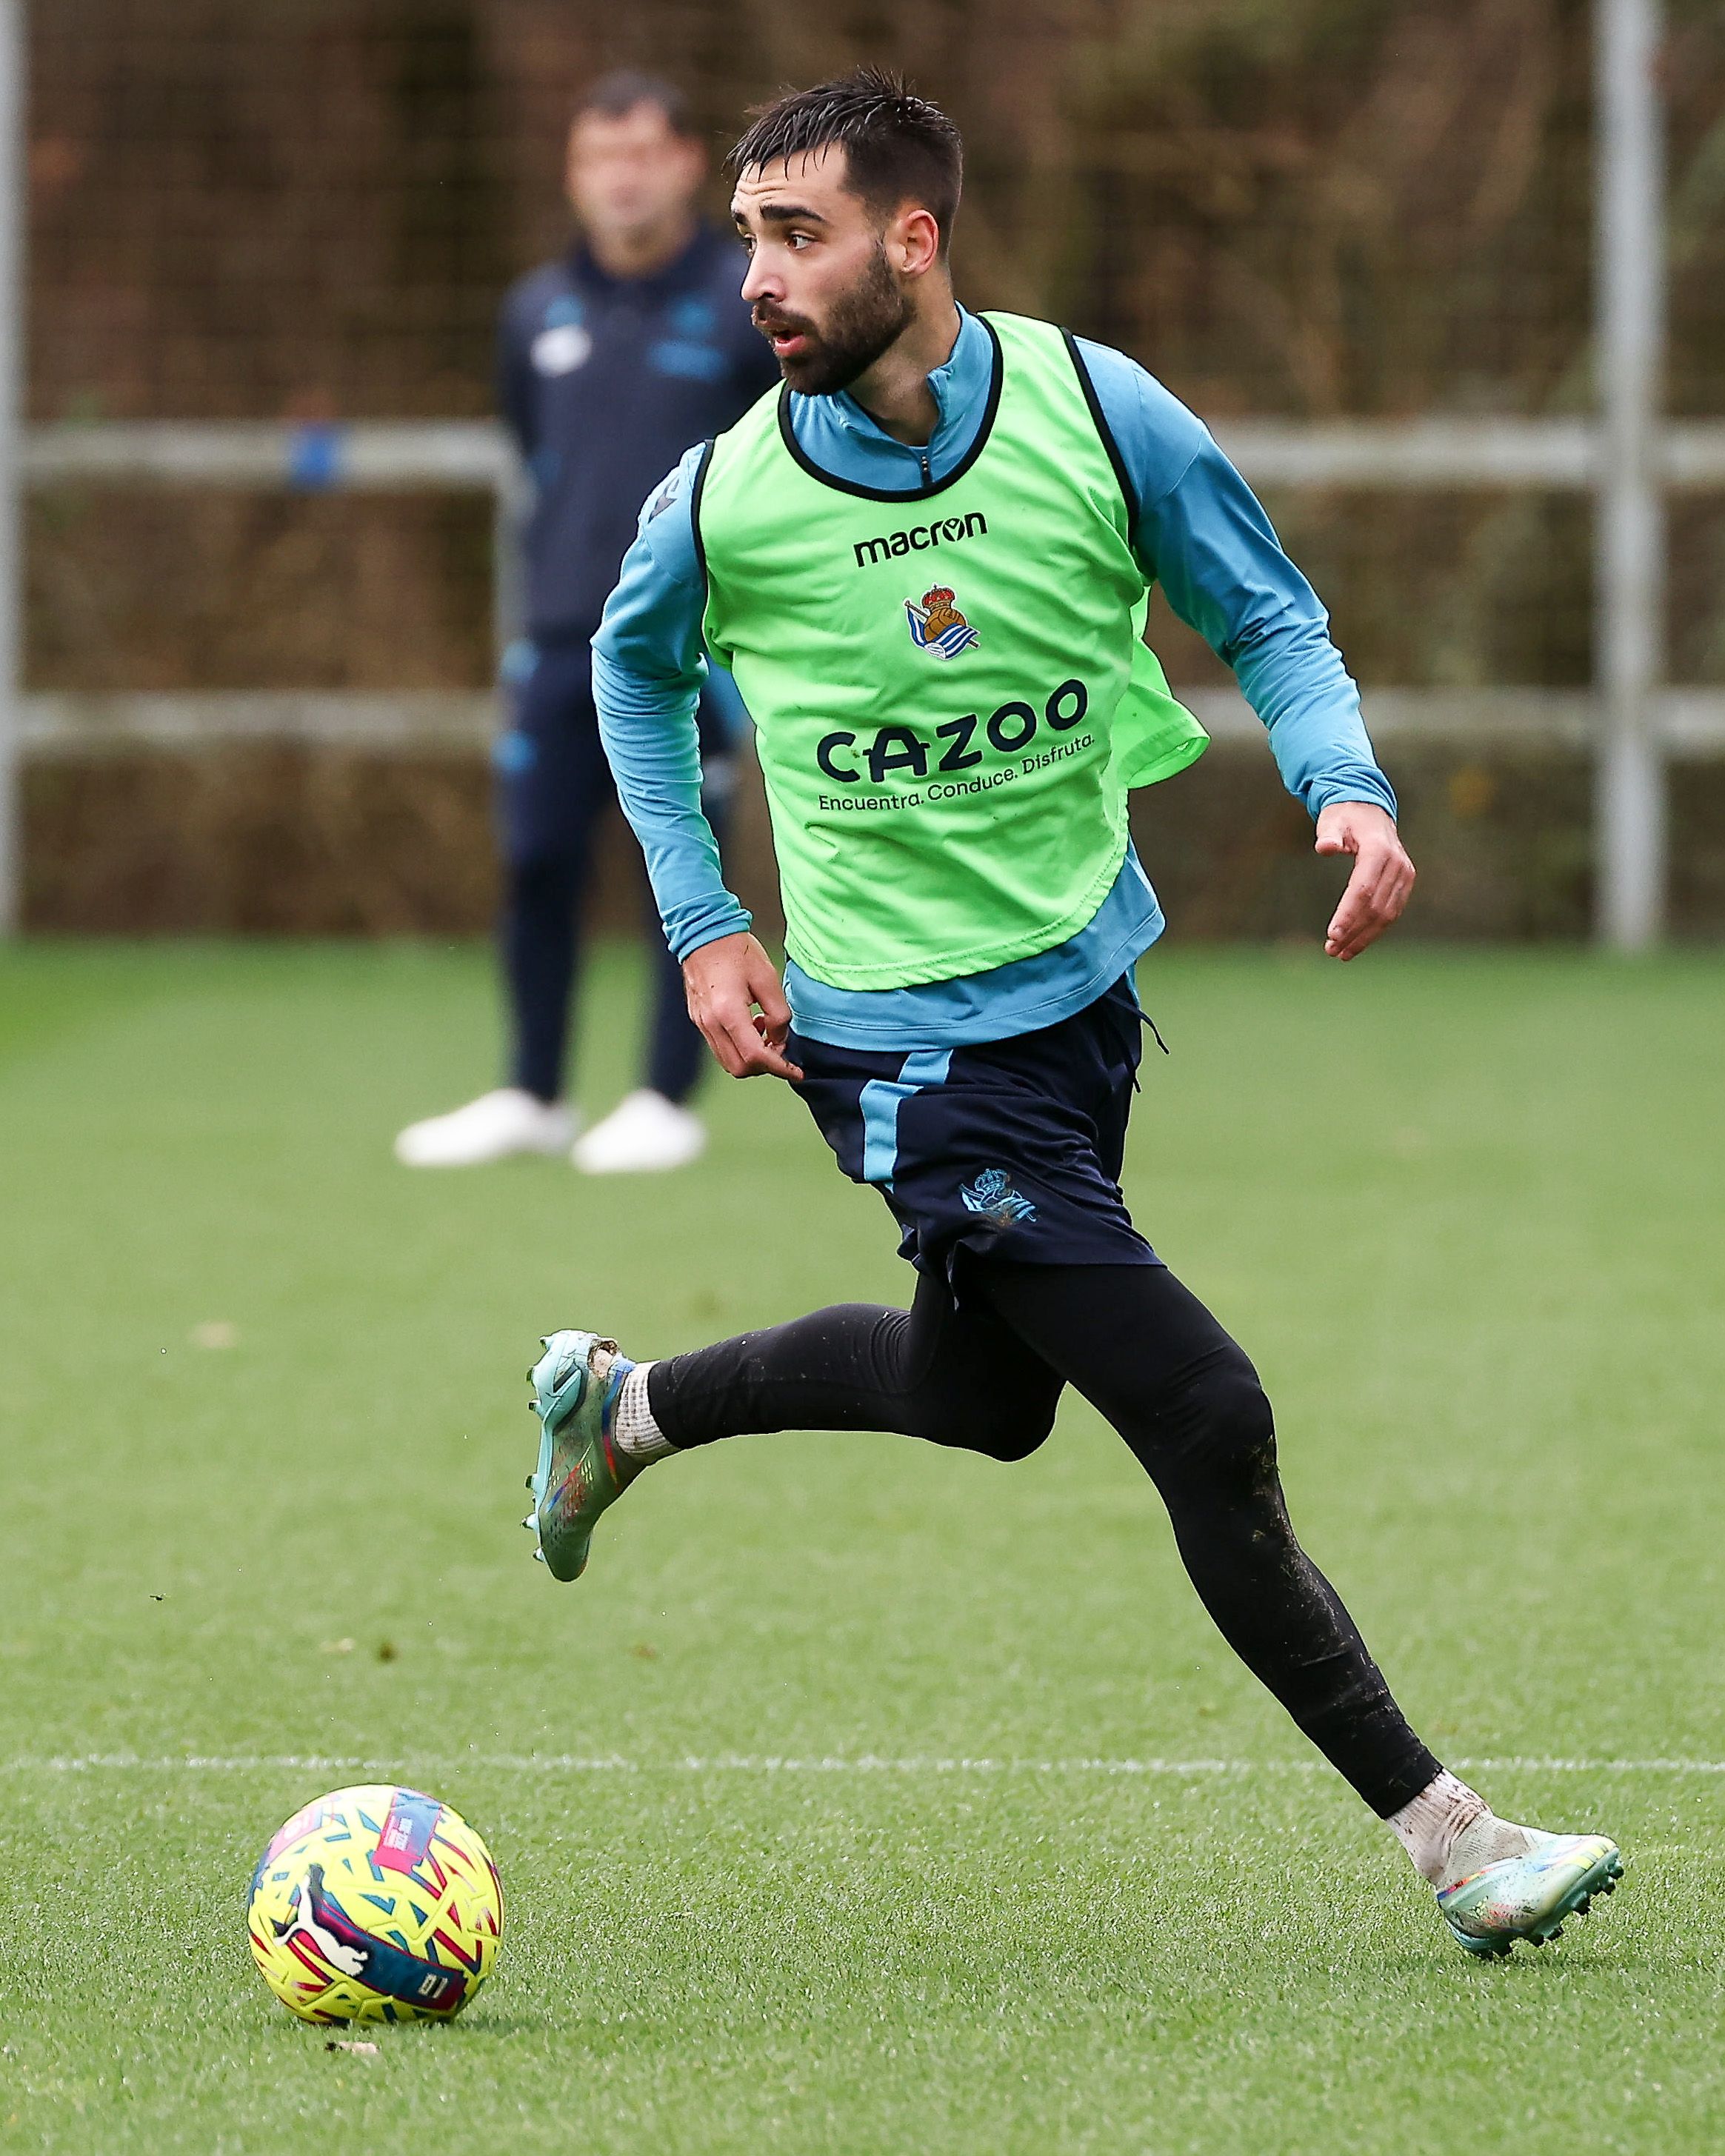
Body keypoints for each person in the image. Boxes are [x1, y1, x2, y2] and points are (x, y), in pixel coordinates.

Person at [520, 70, 1624, 1958]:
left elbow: (1267, 612)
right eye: (748, 238)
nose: (757, 277)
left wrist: (1345, 787)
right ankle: (1453, 1840)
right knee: (1204, 1408)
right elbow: (630, 677)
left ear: (914, 238)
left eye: (798, 236)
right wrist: (704, 921)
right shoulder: (724, 496)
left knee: (981, 1400)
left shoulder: (1097, 412)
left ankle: (620, 1412)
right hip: (893, 1045)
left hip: (1082, 997)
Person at [396, 70, 780, 1175]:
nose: (622, 178)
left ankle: (664, 1096)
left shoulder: (744, 303)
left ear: (684, 165)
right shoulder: (534, 310)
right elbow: (533, 451)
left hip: (692, 644)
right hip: (562, 637)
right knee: (536, 861)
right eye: (600, 157)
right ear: (573, 174)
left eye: (643, 154)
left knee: (680, 864)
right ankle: (534, 1091)